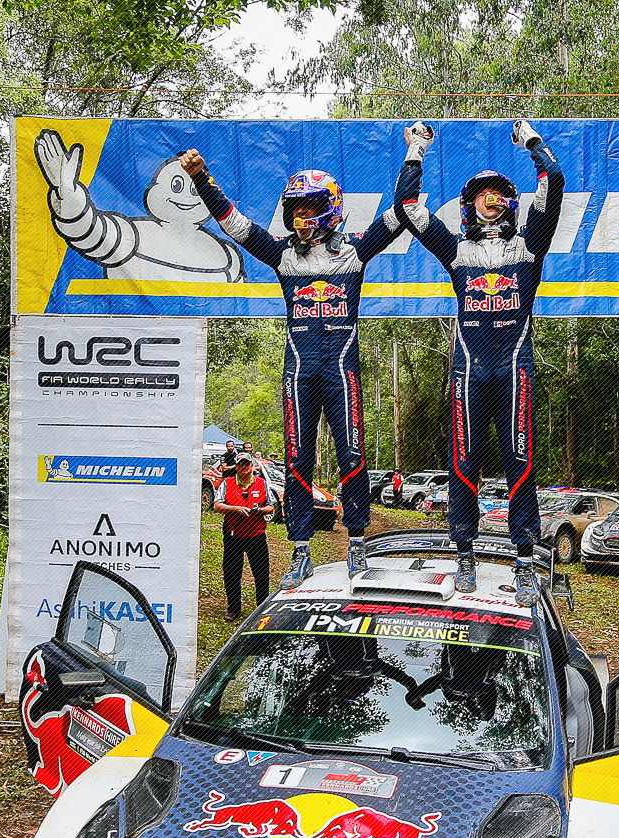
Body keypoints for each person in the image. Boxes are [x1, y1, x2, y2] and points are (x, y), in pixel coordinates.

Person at [180, 147, 409, 588]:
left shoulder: (354, 252)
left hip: (342, 371)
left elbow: (399, 213)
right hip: (299, 373)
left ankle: (356, 544)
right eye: (295, 209)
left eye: (309, 207)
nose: (301, 216)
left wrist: (414, 153)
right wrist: (202, 178)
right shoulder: (284, 255)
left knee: (352, 455)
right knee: (297, 459)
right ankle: (301, 551)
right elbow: (235, 225)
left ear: (330, 208)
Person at [395, 119, 564, 606]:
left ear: (511, 203)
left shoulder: (529, 244)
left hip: (515, 367)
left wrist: (531, 141)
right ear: (468, 206)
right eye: (481, 196)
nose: (491, 201)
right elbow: (408, 207)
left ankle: (525, 560)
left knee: (520, 464)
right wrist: (416, 149)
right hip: (469, 370)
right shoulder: (457, 250)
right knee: (463, 463)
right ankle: (464, 553)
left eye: (499, 195)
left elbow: (553, 181)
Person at [217, 454, 272, 620]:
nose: (244, 467)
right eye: (241, 464)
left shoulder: (262, 483)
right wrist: (236, 509)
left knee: (261, 573)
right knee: (232, 572)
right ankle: (233, 608)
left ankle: (261, 608)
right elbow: (217, 505)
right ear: (236, 466)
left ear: (252, 465)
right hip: (233, 534)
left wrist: (260, 510)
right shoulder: (227, 483)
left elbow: (271, 507)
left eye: (247, 463)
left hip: (256, 535)